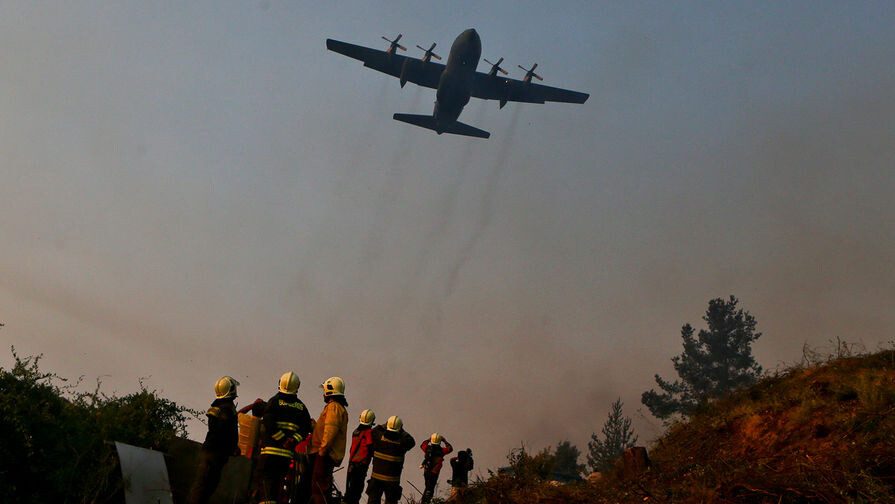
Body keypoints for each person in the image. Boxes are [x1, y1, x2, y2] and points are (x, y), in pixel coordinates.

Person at [255, 372, 312, 504]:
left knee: (265, 488)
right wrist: (293, 440)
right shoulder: (301, 407)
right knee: (277, 489)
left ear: (280, 383)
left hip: (269, 453)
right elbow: (305, 428)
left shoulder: (274, 402)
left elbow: (268, 423)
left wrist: (282, 439)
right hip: (285, 457)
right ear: (297, 386)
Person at [187, 376, 241, 504]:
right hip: (214, 455)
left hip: (213, 454)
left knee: (206, 488)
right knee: (201, 489)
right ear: (230, 390)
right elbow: (223, 434)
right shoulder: (225, 411)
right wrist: (232, 448)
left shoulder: (221, 407)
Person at [309, 376, 349, 504]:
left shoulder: (334, 408)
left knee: (319, 489)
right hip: (326, 454)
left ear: (330, 390)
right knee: (319, 488)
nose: (323, 394)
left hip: (325, 455)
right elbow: (327, 429)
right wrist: (315, 427)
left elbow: (330, 431)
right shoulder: (336, 408)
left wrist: (322, 451)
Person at [366, 416, 415, 504]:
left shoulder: (378, 437)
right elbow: (412, 441)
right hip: (393, 481)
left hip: (376, 478)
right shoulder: (403, 442)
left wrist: (385, 425)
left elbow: (374, 430)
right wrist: (401, 430)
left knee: (373, 501)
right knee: (391, 501)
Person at [343, 409, 376, 504]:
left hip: (352, 464)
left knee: (350, 488)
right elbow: (370, 448)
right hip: (361, 465)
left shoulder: (355, 432)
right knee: (357, 490)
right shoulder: (369, 433)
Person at [419, 433, 453, 504]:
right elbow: (450, 449)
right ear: (439, 442)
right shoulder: (442, 451)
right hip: (435, 473)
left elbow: (422, 445)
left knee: (428, 487)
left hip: (426, 471)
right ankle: (426, 501)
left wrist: (429, 439)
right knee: (430, 489)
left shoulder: (427, 449)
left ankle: (424, 501)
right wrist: (445, 441)